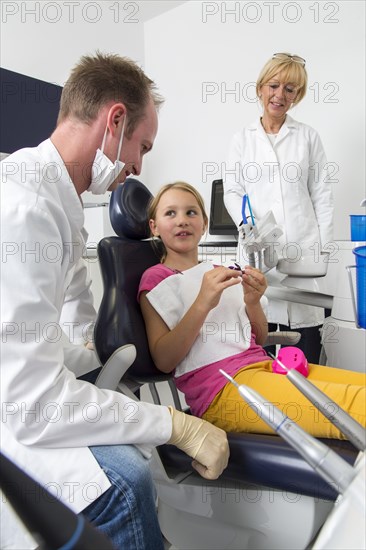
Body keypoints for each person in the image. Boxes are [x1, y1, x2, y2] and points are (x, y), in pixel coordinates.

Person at [0, 53, 229, 550]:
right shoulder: (24, 209)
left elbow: (72, 324)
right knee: (125, 483)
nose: (140, 167)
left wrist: (100, 364)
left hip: (24, 391)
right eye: (143, 146)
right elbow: (32, 402)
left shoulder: (62, 203)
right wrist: (174, 426)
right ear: (115, 120)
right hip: (16, 411)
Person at [139, 182, 365, 438]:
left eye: (191, 212)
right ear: (154, 226)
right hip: (222, 390)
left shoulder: (219, 270)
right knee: (355, 405)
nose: (182, 220)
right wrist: (202, 303)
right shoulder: (156, 278)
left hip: (263, 368)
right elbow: (164, 360)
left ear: (204, 223)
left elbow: (258, 338)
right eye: (170, 213)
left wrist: (253, 302)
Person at [223, 53, 334, 363]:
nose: (280, 95)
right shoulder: (241, 140)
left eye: (290, 89)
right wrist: (249, 226)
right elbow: (232, 191)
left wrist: (321, 252)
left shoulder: (308, 137)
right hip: (258, 256)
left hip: (302, 257)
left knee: (304, 352)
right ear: (261, 88)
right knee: (259, 348)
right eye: (274, 85)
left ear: (296, 96)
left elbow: (322, 195)